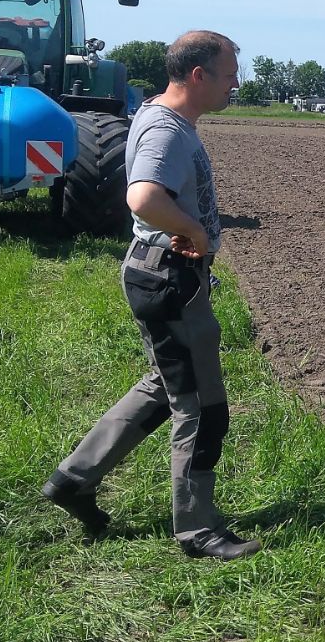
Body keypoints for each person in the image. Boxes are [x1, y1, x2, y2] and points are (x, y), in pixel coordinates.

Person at [41, 30, 260, 561]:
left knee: (166, 385)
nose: (235, 84)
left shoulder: (162, 116)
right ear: (198, 75)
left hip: (158, 272)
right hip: (170, 276)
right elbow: (142, 197)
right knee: (202, 406)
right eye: (229, 74)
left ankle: (73, 480)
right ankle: (198, 530)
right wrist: (194, 230)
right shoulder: (166, 130)